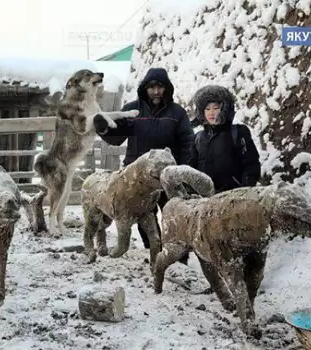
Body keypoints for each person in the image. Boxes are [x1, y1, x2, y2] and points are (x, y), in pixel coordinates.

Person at [93, 67, 194, 259]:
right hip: (137, 178)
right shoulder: (133, 110)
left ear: (167, 88)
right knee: (143, 217)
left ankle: (178, 258)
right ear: (144, 88)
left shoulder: (177, 113)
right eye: (152, 87)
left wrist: (181, 172)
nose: (156, 92)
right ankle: (155, 252)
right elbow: (116, 138)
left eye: (160, 87)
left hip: (167, 175)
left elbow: (187, 143)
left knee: (173, 215)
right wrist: (104, 128)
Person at [190, 85, 261, 193]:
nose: (211, 112)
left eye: (216, 108)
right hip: (206, 198)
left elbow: (251, 164)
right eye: (207, 109)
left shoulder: (238, 132)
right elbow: (191, 169)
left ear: (225, 109)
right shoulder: (198, 138)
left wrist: (245, 189)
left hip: (233, 196)